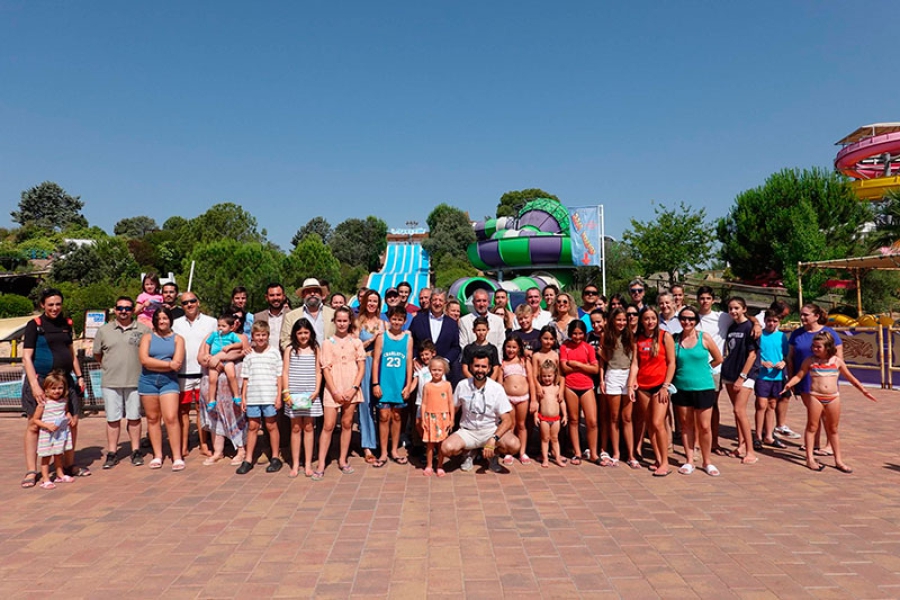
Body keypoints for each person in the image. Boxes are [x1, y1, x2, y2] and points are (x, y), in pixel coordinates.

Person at [20, 288, 87, 489]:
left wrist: (80, 376)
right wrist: (34, 385)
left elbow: (71, 352)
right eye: (50, 304)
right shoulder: (34, 325)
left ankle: (68, 464)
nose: (55, 308)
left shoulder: (67, 324)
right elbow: (26, 357)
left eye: (58, 304)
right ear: (43, 305)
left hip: (65, 382)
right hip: (42, 382)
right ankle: (32, 470)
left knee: (71, 422)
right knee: (34, 424)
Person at [783, 332, 877, 472]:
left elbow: (850, 377)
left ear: (827, 347)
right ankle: (810, 458)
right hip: (815, 396)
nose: (815, 349)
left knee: (833, 429)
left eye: (818, 347)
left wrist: (864, 391)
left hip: (833, 397)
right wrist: (789, 384)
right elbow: (800, 375)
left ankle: (838, 460)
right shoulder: (810, 361)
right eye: (813, 346)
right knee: (812, 427)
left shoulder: (836, 361)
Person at [93, 296, 150, 468]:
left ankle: (135, 450)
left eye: (127, 308)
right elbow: (98, 354)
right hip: (111, 381)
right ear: (115, 309)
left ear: (133, 310)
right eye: (120, 308)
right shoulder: (104, 330)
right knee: (112, 418)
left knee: (134, 418)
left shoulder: (144, 330)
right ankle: (112, 452)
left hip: (135, 380)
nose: (123, 311)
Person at [441, 349, 521, 473]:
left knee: (514, 445)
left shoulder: (496, 388)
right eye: (477, 366)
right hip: (468, 431)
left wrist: (494, 438)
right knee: (447, 448)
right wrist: (448, 423)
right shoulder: (462, 385)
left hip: (490, 430)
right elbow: (454, 408)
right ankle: (468, 453)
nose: (480, 370)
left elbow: (507, 420)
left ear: (489, 369)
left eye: (483, 366)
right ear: (471, 367)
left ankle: (493, 454)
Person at [671, 305, 724, 477]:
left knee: (705, 426)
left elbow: (718, 358)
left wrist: (706, 369)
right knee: (686, 426)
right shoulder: (674, 340)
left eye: (691, 319)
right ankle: (689, 460)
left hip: (704, 387)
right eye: (684, 318)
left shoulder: (704, 338)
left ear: (696, 321)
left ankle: (707, 461)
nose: (687, 322)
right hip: (681, 388)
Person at [787, 303, 844, 456]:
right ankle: (815, 443)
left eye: (806, 314)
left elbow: (839, 358)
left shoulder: (829, 333)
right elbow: (790, 357)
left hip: (824, 379)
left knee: (826, 414)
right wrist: (791, 377)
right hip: (804, 378)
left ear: (816, 316)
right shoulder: (796, 334)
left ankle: (830, 445)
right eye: (801, 314)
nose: (803, 317)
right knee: (813, 412)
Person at [316, 306, 366, 479]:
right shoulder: (327, 343)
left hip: (351, 388)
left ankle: (343, 459)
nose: (342, 324)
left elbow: (361, 367)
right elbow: (325, 369)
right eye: (339, 321)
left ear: (350, 321)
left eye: (345, 321)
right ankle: (322, 462)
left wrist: (353, 388)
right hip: (333, 389)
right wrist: (335, 391)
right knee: (328, 425)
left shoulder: (356, 342)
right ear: (334, 321)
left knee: (347, 424)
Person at [629, 306, 676, 477]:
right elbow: (635, 363)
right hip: (643, 386)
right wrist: (631, 383)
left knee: (658, 423)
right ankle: (657, 458)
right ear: (641, 320)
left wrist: (665, 386)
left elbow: (672, 363)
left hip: (660, 386)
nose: (650, 322)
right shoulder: (638, 339)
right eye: (647, 318)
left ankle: (665, 462)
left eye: (653, 318)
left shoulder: (665, 336)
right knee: (649, 424)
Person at [139, 307, 186, 471]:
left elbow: (177, 363)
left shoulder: (178, 339)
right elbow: (145, 361)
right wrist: (167, 364)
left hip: (169, 382)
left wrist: (160, 365)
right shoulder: (147, 337)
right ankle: (157, 455)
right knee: (152, 418)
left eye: (165, 318)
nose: (162, 321)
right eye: (159, 318)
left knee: (171, 417)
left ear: (170, 320)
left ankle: (177, 456)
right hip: (148, 381)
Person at [172, 291, 218, 457]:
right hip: (182, 374)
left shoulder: (211, 322)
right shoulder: (175, 324)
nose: (189, 305)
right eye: (185, 303)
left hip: (203, 374)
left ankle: (203, 444)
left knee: (202, 410)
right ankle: (183, 445)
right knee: (183, 411)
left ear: (198, 302)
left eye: (192, 301)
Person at [235, 321, 283, 474]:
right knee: (253, 427)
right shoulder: (249, 355)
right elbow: (245, 378)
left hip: (269, 395)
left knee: (271, 426)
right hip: (253, 397)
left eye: (263, 335)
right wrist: (243, 398)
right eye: (257, 335)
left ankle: (275, 457)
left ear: (268, 336)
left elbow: (279, 376)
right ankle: (248, 459)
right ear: (253, 337)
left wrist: (278, 397)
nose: (260, 338)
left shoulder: (274, 353)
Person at [372, 305, 413, 467]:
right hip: (384, 382)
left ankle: (394, 450)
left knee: (397, 416)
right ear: (389, 319)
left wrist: (408, 385)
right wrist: (375, 383)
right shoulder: (382, 337)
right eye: (394, 319)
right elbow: (375, 361)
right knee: (383, 416)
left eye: (400, 319)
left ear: (404, 321)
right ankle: (383, 452)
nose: (396, 322)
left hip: (399, 383)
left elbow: (409, 363)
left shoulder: (408, 338)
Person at [722, 297, 761, 465]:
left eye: (737, 308)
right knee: (736, 412)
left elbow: (752, 355)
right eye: (731, 308)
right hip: (730, 373)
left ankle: (751, 450)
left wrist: (742, 377)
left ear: (744, 309)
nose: (733, 311)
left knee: (740, 411)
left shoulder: (750, 327)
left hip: (745, 375)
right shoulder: (732, 327)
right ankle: (741, 446)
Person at [282, 318, 323, 478]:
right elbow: (285, 372)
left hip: (310, 394)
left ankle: (307, 464)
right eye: (300, 333)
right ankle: (295, 463)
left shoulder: (315, 349)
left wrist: (316, 391)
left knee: (308, 427)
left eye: (306, 332)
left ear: (311, 333)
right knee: (296, 428)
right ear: (295, 334)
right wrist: (286, 393)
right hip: (294, 394)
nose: (303, 336)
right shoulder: (290, 350)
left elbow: (318, 371)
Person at [600, 307, 636, 468]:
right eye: (618, 319)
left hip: (628, 374)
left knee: (627, 417)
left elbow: (635, 361)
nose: (621, 323)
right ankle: (616, 453)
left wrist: (633, 380)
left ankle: (631, 454)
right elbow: (603, 360)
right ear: (613, 320)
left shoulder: (631, 337)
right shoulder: (606, 336)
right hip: (612, 375)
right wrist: (601, 379)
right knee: (613, 417)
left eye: (624, 320)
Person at [561, 320, 600, 465]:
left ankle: (593, 453)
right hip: (570, 386)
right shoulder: (565, 346)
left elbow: (595, 369)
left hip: (587, 386)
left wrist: (577, 365)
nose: (577, 337)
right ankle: (577, 452)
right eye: (574, 334)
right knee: (574, 420)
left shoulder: (588, 347)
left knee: (592, 421)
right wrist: (585, 367)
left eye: (580, 334)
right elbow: (564, 368)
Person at [409, 288, 462, 384]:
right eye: (435, 300)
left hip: (444, 372)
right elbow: (410, 341)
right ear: (430, 301)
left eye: (440, 300)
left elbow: (456, 347)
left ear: (445, 303)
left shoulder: (452, 324)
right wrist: (414, 359)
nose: (437, 303)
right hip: (421, 369)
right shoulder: (418, 320)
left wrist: (445, 361)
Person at [33, 371, 75, 490]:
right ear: (46, 389)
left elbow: (65, 411)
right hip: (47, 434)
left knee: (58, 454)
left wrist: (69, 416)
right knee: (46, 456)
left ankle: (60, 474)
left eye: (60, 388)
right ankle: (45, 479)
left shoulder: (63, 401)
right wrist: (47, 425)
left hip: (60, 433)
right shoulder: (43, 403)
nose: (57, 391)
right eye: (53, 388)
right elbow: (35, 420)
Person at [356, 289, 385, 465]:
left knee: (381, 405)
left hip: (381, 365)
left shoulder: (384, 323)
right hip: (365, 365)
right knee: (365, 405)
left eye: (375, 301)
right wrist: (372, 339)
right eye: (369, 301)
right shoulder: (358, 323)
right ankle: (367, 445)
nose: (372, 304)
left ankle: (382, 443)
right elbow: (356, 345)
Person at [755, 309, 789, 450]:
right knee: (761, 404)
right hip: (762, 375)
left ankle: (768, 435)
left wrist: (783, 362)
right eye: (769, 320)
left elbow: (786, 355)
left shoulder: (782, 336)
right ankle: (757, 436)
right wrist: (762, 363)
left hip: (777, 375)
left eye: (775, 321)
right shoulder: (760, 335)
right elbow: (753, 354)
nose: (771, 323)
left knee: (772, 404)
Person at [500, 334, 535, 465]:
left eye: (514, 347)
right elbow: (500, 383)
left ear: (519, 347)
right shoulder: (503, 363)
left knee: (521, 425)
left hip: (523, 398)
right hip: (508, 398)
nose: (511, 350)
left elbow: (531, 381)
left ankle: (522, 451)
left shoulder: (524, 362)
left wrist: (533, 400)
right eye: (508, 347)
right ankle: (510, 451)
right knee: (511, 425)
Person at [420, 357, 454, 477]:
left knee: (441, 445)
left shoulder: (447, 385)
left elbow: (450, 403)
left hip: (444, 418)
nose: (436, 372)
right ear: (429, 370)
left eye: (439, 370)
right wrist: (423, 418)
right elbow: (423, 403)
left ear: (444, 371)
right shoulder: (427, 386)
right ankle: (429, 465)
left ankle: (440, 465)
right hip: (430, 417)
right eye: (434, 370)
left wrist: (452, 419)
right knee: (430, 445)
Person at [280, 278, 336, 350]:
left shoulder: (333, 314)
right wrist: (299, 352)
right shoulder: (291, 316)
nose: (312, 294)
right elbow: (285, 341)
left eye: (316, 291)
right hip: (302, 359)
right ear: (303, 295)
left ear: (321, 294)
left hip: (328, 358)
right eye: (308, 292)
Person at [204, 314, 244, 411]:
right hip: (214, 360)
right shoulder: (214, 334)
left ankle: (236, 396)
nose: (220, 328)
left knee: (231, 376)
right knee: (212, 380)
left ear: (231, 327)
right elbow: (207, 344)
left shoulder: (232, 335)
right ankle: (211, 400)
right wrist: (206, 354)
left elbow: (240, 344)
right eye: (219, 325)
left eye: (223, 326)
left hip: (227, 360)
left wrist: (230, 347)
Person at [536, 361, 567, 468]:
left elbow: (561, 402)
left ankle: (557, 457)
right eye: (544, 376)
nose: (547, 378)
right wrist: (536, 415)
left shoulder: (557, 388)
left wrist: (565, 415)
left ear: (555, 375)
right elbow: (537, 403)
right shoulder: (541, 389)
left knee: (555, 438)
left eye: (549, 376)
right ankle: (545, 459)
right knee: (545, 439)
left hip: (556, 419)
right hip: (544, 418)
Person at [253, 283, 289, 351]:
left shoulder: (292, 315)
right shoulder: (258, 317)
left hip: (286, 358)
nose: (275, 298)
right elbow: (254, 340)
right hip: (265, 358)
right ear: (266, 297)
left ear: (283, 296)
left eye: (278, 295)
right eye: (272, 295)